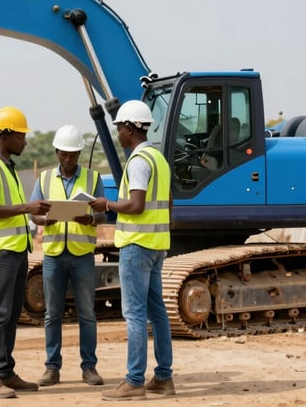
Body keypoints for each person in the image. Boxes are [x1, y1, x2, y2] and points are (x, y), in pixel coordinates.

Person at [89, 100, 175, 401]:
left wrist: (106, 205)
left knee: (135, 314)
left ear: (128, 127)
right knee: (157, 312)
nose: (117, 134)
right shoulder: (159, 159)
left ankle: (134, 381)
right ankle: (164, 377)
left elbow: (136, 205)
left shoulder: (138, 160)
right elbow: (169, 202)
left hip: (137, 246)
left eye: (119, 128)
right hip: (155, 246)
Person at [0, 106, 52, 399]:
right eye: (21, 135)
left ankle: (5, 371)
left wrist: (35, 215)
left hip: (17, 249)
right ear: (5, 135)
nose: (25, 141)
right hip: (1, 251)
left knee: (10, 315)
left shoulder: (7, 166)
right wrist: (27, 208)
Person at [29, 125, 107, 388]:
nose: (68, 159)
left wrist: (92, 218)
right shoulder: (44, 179)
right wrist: (45, 220)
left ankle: (89, 367)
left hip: (82, 254)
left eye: (73, 154)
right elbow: (34, 213)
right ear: (56, 152)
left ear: (79, 154)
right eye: (64, 154)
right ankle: (52, 368)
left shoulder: (93, 179)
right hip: (53, 255)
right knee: (52, 314)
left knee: (86, 313)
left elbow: (103, 213)